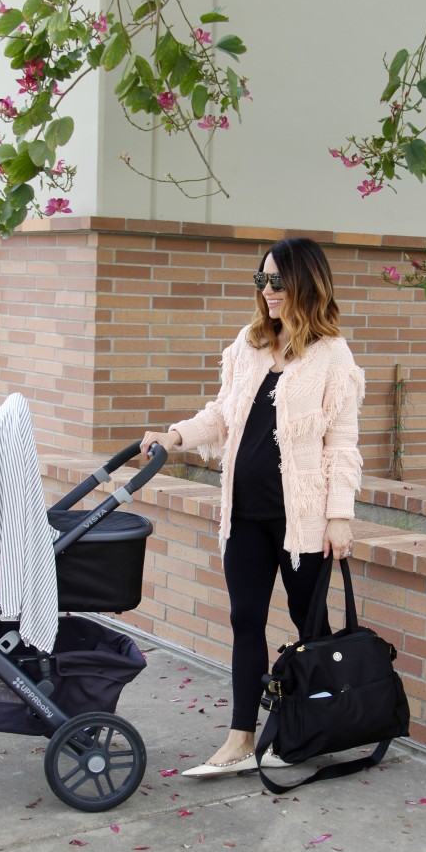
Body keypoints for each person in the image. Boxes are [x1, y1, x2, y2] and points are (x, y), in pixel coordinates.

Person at [140, 237, 364, 777]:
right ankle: (242, 737)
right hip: (243, 514)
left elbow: (342, 446)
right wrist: (174, 436)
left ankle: (314, 728)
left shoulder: (333, 357)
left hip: (302, 520)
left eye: (277, 283)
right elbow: (223, 414)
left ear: (305, 286)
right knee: (245, 620)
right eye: (260, 281)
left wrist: (339, 516)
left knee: (311, 626)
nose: (267, 293)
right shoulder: (249, 344)